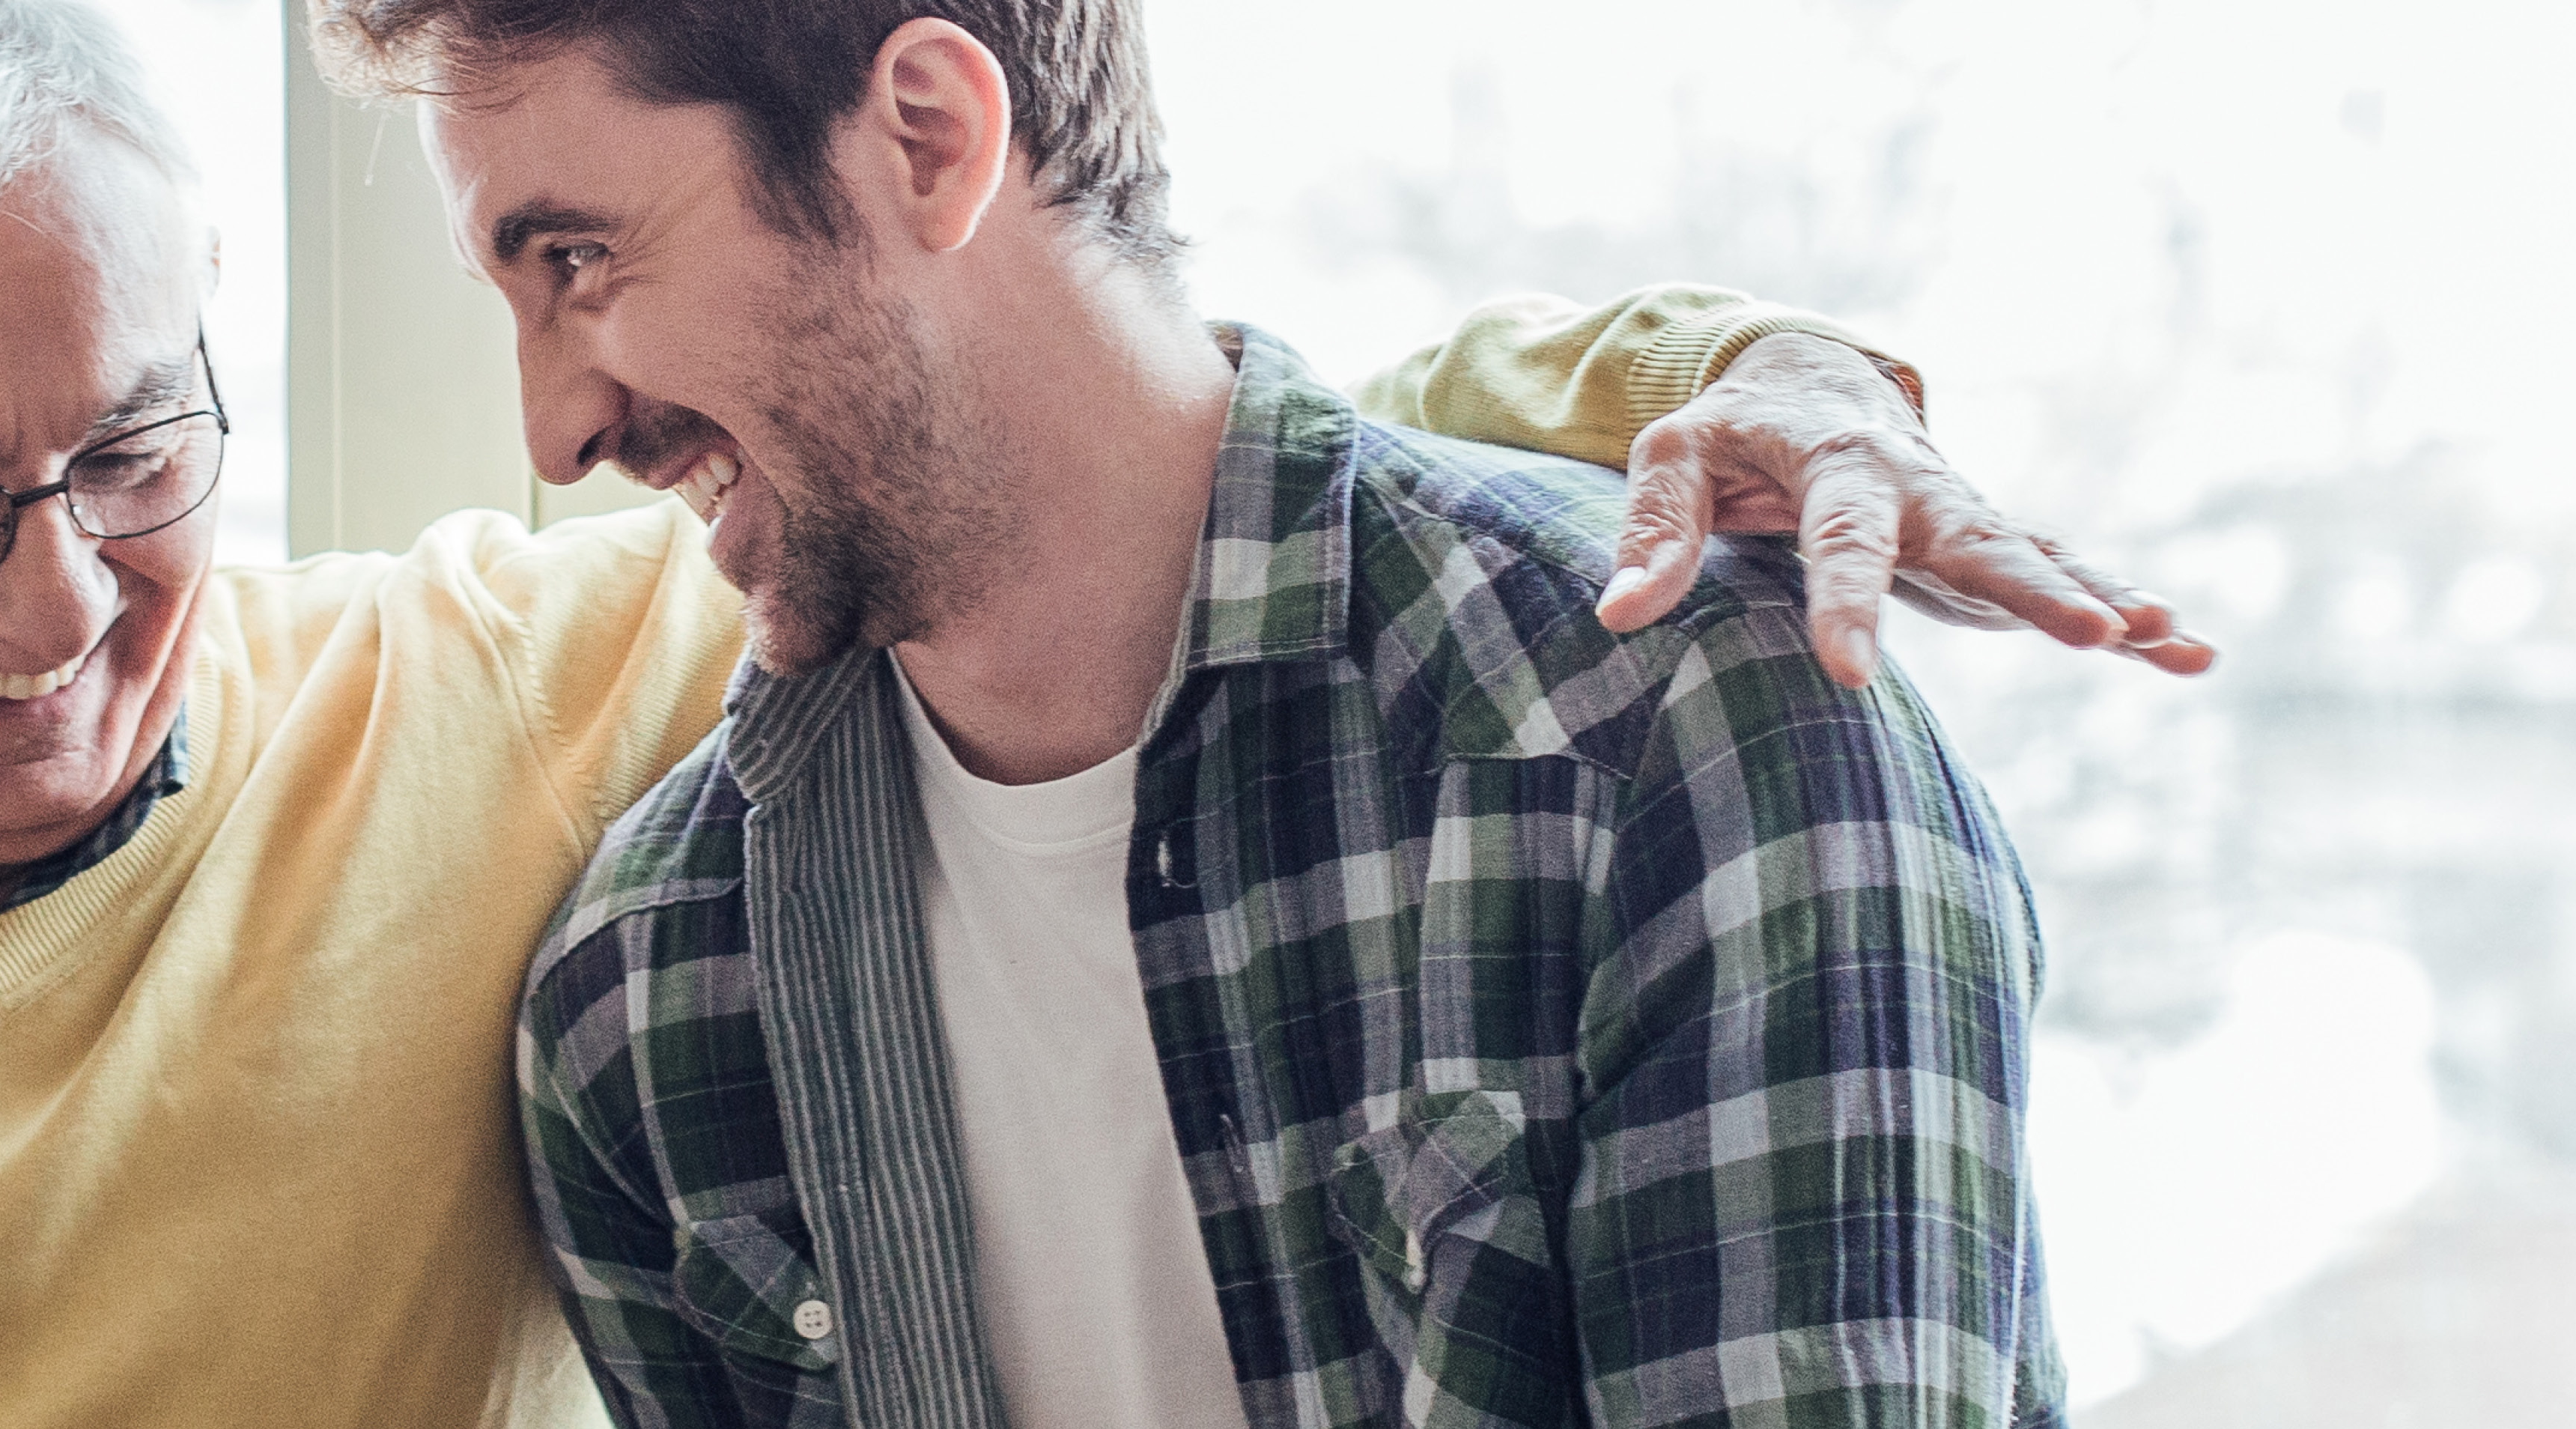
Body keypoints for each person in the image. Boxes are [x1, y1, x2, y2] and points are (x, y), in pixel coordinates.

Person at [0, 1, 2161, 1425]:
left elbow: (1151, 434)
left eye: (137, 455)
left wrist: (1751, 379)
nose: (51, 602)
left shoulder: (530, 693)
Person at [317, 1, 2071, 1425]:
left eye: (582, 259)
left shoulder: (1679, 754)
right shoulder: (645, 1010)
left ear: (929, 133)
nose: (551, 429)